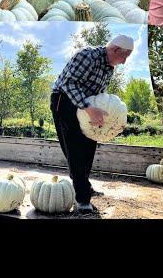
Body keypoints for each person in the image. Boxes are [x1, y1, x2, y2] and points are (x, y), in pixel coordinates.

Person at [50, 35, 134, 214]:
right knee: (75, 150)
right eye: (124, 56)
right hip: (64, 101)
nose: (124, 62)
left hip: (87, 106)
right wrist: (88, 108)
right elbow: (68, 83)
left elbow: (100, 95)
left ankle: (84, 186)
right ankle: (82, 199)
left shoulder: (109, 67)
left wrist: (114, 120)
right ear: (115, 50)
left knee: (89, 146)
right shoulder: (87, 56)